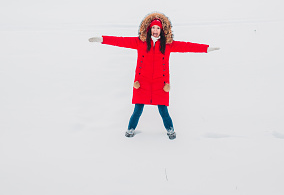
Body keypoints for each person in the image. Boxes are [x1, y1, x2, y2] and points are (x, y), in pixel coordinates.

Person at [89, 12, 219, 140]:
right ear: (149, 29)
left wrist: (206, 48)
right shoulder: (140, 42)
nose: (155, 30)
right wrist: (102, 39)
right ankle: (130, 130)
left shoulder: (168, 45)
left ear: (162, 30)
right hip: (142, 82)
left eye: (158, 28)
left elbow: (188, 46)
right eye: (153, 28)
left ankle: (170, 131)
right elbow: (120, 41)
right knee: (137, 110)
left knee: (163, 111)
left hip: (160, 84)